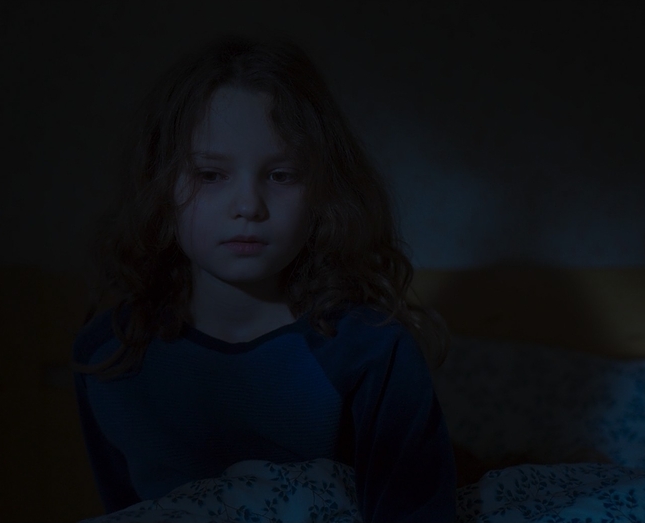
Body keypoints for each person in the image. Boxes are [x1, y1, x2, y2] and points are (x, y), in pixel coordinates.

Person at [71, 31, 457, 523]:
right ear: (160, 189)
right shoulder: (109, 353)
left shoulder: (369, 351)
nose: (249, 207)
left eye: (281, 175)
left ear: (321, 193)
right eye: (210, 175)